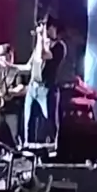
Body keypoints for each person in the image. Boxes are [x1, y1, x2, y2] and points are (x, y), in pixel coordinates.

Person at [24, 18, 67, 147]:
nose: (46, 30)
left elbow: (44, 55)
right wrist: (10, 67)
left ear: (54, 28)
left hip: (47, 88)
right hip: (33, 87)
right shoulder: (40, 45)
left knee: (50, 120)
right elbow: (31, 63)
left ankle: (55, 147)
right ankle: (28, 145)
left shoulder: (59, 47)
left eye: (47, 27)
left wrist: (40, 36)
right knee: (29, 121)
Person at [0, 44, 27, 146]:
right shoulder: (0, 72)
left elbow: (21, 87)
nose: (0, 59)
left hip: (12, 111)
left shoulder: (17, 71)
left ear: (10, 55)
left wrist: (10, 92)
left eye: (2, 56)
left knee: (13, 138)